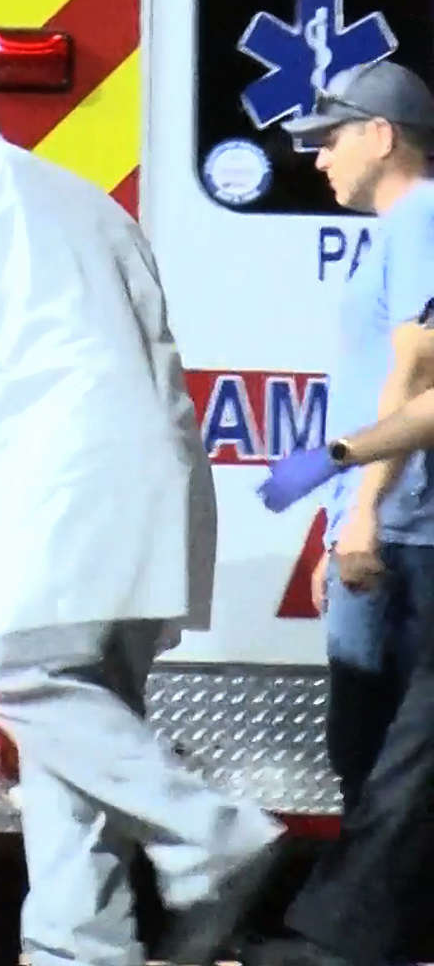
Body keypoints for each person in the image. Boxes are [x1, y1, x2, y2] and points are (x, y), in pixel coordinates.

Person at [0, 55, 283, 966]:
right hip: (152, 485)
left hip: (71, 484)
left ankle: (213, 833)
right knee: (76, 741)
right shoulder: (86, 202)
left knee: (25, 679)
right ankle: (78, 950)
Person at [242, 61, 434, 966]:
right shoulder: (395, 233)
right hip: (384, 528)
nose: (317, 157)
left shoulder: (424, 219)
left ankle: (344, 945)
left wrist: (361, 509)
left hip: (408, 533)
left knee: (390, 759)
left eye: (330, 136)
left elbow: (418, 374)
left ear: (383, 135)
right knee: (372, 756)